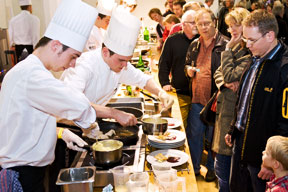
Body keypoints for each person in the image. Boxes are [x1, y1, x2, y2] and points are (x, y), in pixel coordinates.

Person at [0, 0, 100, 191]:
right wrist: (94, 122)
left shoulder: (29, 71)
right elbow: (78, 104)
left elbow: (24, 123)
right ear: (55, 46)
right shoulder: (32, 75)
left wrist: (60, 133)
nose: (73, 65)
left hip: (30, 170)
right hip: (22, 175)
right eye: (73, 56)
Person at [61, 7, 174, 121]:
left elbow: (143, 80)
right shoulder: (83, 66)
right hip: (68, 123)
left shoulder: (119, 66)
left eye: (127, 60)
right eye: (121, 60)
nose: (125, 65)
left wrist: (160, 93)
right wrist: (113, 113)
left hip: (90, 120)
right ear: (105, 52)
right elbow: (73, 103)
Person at [225, 10, 288, 192]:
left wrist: (273, 162)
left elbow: (285, 124)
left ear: (270, 36)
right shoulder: (255, 58)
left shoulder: (283, 69)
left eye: (251, 40)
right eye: (245, 39)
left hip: (264, 156)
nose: (247, 45)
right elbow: (244, 97)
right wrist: (234, 126)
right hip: (241, 143)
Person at [184, 8, 229, 182]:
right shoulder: (194, 44)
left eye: (206, 23)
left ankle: (211, 169)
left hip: (215, 101)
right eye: (199, 24)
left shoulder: (225, 44)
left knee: (213, 139)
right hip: (196, 98)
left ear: (215, 22)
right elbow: (187, 64)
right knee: (194, 136)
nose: (203, 27)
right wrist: (188, 70)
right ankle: (194, 168)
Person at [212, 7, 251, 192]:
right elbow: (219, 73)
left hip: (234, 115)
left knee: (227, 172)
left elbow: (227, 73)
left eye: (236, 25)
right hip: (224, 112)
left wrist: (226, 51)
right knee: (220, 169)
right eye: (229, 26)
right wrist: (224, 84)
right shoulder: (235, 46)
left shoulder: (248, 52)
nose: (232, 30)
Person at [158, 10, 198, 129]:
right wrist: (165, 83)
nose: (196, 25)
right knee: (181, 127)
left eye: (197, 22)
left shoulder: (202, 40)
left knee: (197, 130)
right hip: (181, 92)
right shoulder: (173, 40)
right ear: (184, 24)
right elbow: (164, 63)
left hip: (200, 94)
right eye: (193, 22)